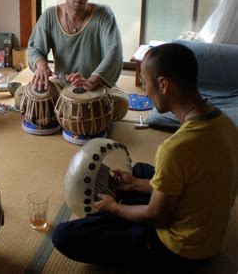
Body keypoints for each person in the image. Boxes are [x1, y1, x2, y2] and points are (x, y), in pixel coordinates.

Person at [52, 43, 237, 272]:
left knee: (63, 235)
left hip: (179, 253)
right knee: (137, 172)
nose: (145, 91)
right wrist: (134, 184)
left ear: (163, 84)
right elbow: (196, 187)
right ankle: (128, 193)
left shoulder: (175, 148)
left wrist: (114, 209)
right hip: (208, 236)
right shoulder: (226, 124)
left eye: (145, 82)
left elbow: (156, 217)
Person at [28, 0, 123, 91]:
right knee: (24, 96)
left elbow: (114, 53)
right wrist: (41, 64)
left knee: (121, 103)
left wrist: (92, 81)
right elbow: (34, 48)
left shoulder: (103, 15)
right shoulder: (50, 16)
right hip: (62, 85)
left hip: (95, 85)